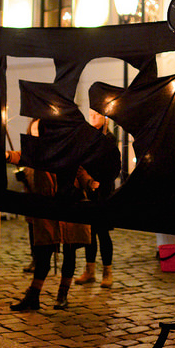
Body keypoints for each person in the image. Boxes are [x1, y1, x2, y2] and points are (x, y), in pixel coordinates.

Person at [7, 119, 94, 311]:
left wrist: (90, 183)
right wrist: (7, 155)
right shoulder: (39, 150)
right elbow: (22, 156)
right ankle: (33, 296)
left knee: (70, 252)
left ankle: (62, 295)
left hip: (71, 206)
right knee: (43, 253)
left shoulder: (71, 148)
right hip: (47, 207)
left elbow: (81, 172)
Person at [75, 109, 120, 288]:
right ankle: (90, 270)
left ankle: (107, 272)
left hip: (103, 191)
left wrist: (101, 180)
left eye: (97, 114)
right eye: (91, 114)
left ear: (104, 117)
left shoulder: (109, 138)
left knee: (102, 232)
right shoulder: (85, 136)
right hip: (88, 189)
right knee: (89, 233)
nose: (93, 117)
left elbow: (113, 165)